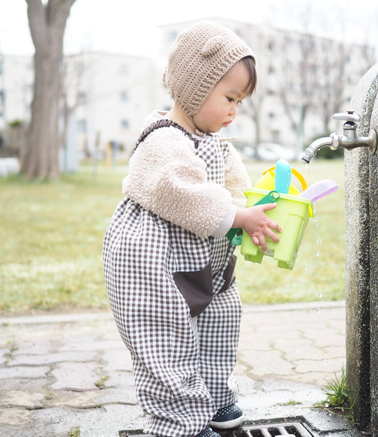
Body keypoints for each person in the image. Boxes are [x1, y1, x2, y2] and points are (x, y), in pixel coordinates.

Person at [102, 21, 282, 437]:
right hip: (152, 264)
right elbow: (180, 191)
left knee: (221, 317)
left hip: (204, 260)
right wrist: (236, 216)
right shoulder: (163, 139)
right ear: (195, 89)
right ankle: (179, 419)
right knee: (166, 338)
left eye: (241, 100)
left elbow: (235, 188)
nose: (235, 110)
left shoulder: (215, 140)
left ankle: (214, 395)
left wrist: (253, 213)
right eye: (230, 97)